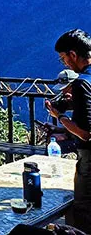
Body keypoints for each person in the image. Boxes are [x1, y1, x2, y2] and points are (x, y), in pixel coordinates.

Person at [47, 29, 91, 232]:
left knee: (84, 209)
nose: (64, 63)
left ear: (73, 54)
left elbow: (85, 133)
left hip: (89, 159)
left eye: (63, 58)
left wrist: (59, 115)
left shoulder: (81, 83)